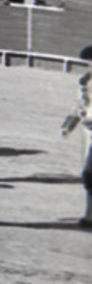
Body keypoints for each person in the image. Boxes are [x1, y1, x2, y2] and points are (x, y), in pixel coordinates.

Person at [60, 45, 92, 227]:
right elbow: (79, 106)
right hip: (88, 133)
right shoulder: (85, 82)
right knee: (89, 176)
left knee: (90, 173)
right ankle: (89, 215)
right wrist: (69, 125)